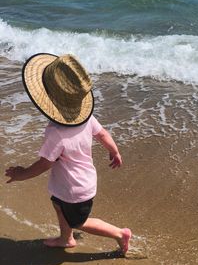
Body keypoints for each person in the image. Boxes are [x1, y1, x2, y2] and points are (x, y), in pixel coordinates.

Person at [5, 53, 131, 254]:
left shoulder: (56, 133)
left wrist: (21, 174)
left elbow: (44, 164)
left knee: (79, 221)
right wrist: (114, 151)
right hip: (72, 184)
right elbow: (102, 134)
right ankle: (66, 238)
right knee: (58, 205)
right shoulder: (86, 119)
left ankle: (119, 233)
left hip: (74, 189)